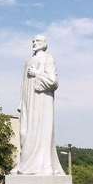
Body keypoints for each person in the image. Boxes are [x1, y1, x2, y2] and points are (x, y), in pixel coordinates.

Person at [11, 35, 65, 175]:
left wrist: (37, 74)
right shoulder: (28, 61)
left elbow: (53, 81)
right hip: (28, 101)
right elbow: (23, 84)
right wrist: (21, 101)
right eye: (33, 41)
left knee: (40, 131)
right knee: (24, 132)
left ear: (44, 44)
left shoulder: (48, 58)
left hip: (41, 101)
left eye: (37, 41)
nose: (34, 43)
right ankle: (23, 164)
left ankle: (42, 166)